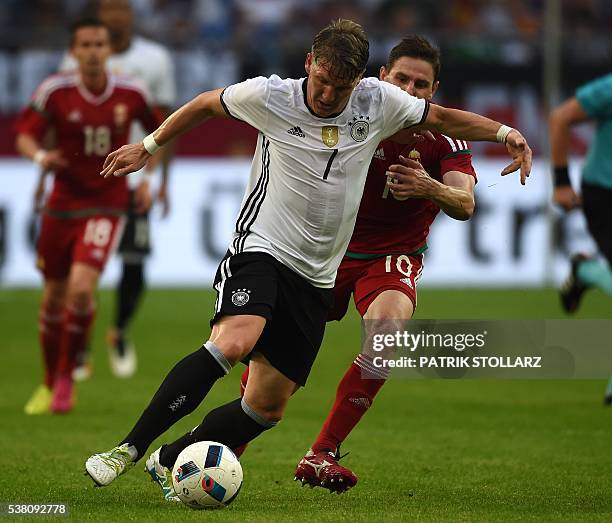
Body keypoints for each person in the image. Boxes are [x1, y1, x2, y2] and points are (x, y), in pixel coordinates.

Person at [84, 19, 531, 501]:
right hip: (262, 247)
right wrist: (147, 147)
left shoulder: (379, 104)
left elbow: (443, 119)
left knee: (265, 408)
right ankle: (126, 449)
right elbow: (206, 103)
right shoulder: (270, 96)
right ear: (308, 65)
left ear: (359, 82)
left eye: (339, 88)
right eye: (320, 81)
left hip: (318, 274)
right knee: (234, 341)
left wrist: (506, 133)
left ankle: (173, 456)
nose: (325, 95)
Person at [233, 35, 477, 493]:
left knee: (387, 333)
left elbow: (464, 203)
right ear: (381, 79)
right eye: (401, 78)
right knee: (273, 359)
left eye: (421, 84)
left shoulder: (443, 137)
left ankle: (322, 452)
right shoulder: (355, 114)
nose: (410, 89)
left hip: (390, 257)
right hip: (325, 253)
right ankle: (227, 446)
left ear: (434, 90)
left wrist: (432, 188)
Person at [17, 18, 159, 415]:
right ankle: (48, 380)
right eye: (86, 44)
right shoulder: (55, 91)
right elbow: (25, 135)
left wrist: (148, 177)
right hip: (62, 204)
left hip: (106, 202)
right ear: (74, 52)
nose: (94, 51)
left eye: (100, 44)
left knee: (81, 289)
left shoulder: (132, 91)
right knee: (53, 299)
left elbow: (159, 133)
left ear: (109, 51)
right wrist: (42, 157)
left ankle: (66, 378)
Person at [35, 0, 176, 380]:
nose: (115, 16)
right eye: (108, 8)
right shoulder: (75, 61)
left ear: (130, 15)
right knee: (81, 277)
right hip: (88, 179)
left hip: (135, 176)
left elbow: (169, 126)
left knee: (135, 259)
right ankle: (79, 350)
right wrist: (41, 178)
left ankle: (119, 331)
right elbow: (55, 127)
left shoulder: (155, 60)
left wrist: (156, 181)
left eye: (121, 8)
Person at [549, 72, 612, 404]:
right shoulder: (609, 89)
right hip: (604, 195)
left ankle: (585, 272)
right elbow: (562, 118)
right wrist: (561, 181)